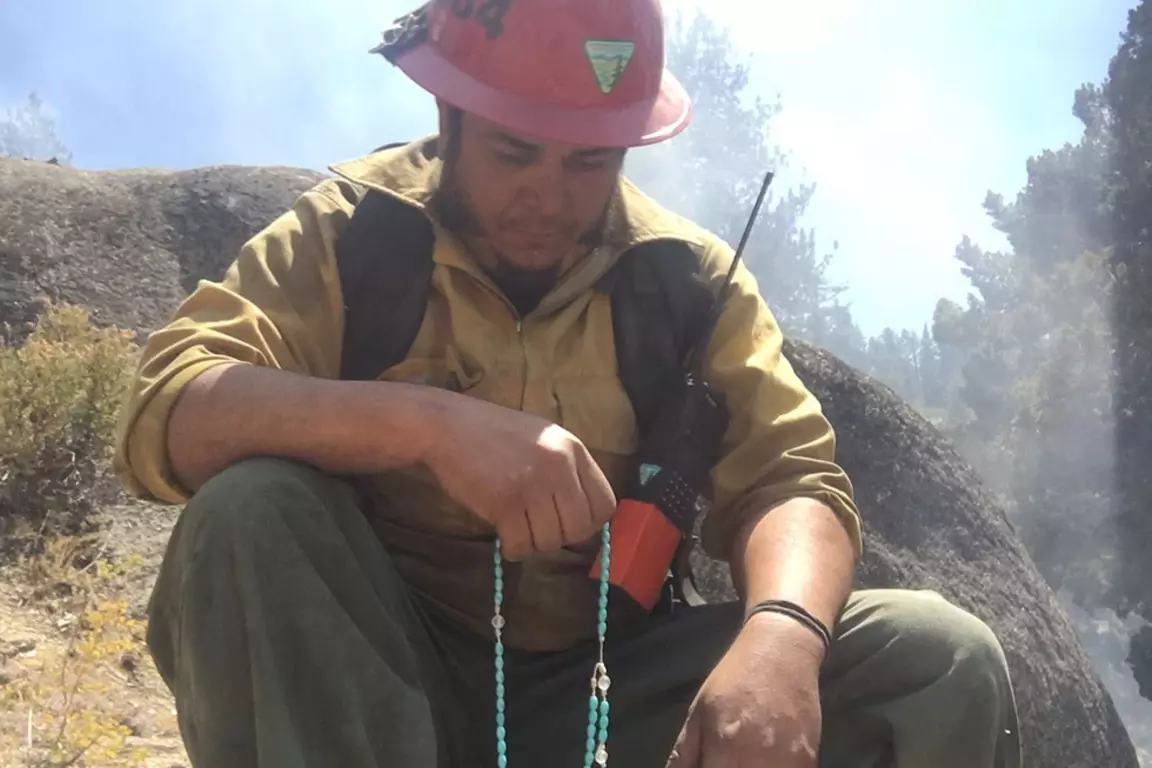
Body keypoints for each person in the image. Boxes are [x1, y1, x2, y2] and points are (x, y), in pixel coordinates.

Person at [112, 0, 1023, 766]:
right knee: (247, 510)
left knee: (940, 658)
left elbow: (792, 480)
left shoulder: (687, 281)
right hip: (368, 680)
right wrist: (429, 425)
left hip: (610, 689)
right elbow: (171, 407)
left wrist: (782, 634)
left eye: (590, 160)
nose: (550, 195)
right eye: (515, 153)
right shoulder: (352, 234)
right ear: (449, 115)